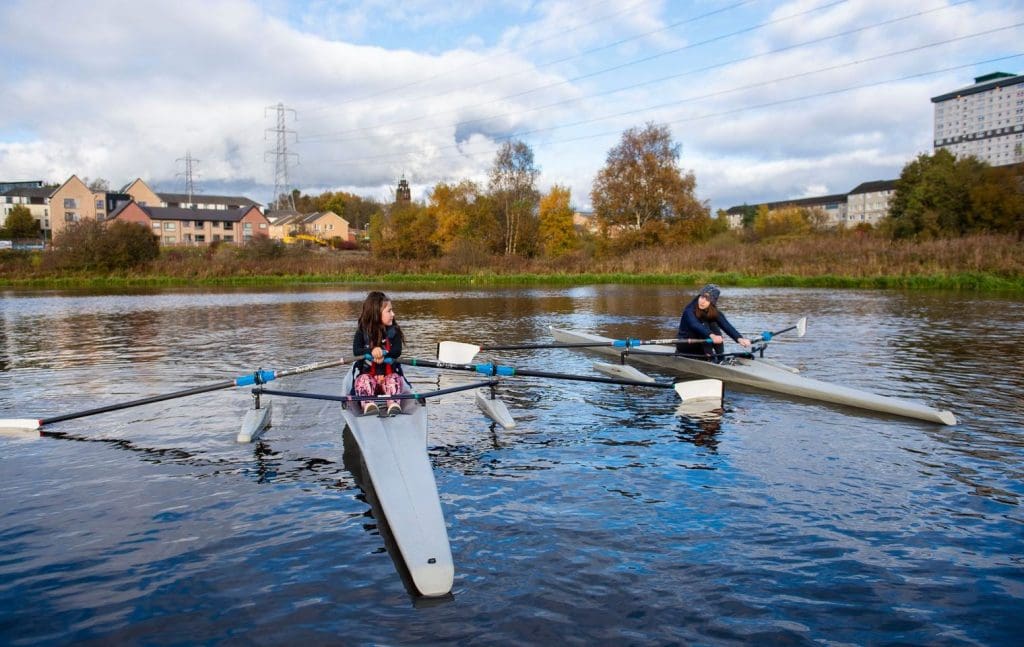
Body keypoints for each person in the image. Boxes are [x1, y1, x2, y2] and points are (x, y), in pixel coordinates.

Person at [352, 291, 405, 416]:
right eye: (389, 311)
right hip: (369, 377)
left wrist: (383, 354)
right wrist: (372, 352)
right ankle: (369, 404)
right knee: (363, 380)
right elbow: (356, 351)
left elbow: (397, 351)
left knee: (394, 379)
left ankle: (393, 404)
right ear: (376, 313)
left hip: (388, 377)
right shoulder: (361, 331)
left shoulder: (394, 331)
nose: (393, 314)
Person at [676, 283, 752, 362]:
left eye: (707, 299)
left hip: (701, 346)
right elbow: (695, 325)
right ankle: (710, 357)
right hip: (685, 345)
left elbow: (726, 325)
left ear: (712, 302)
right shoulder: (689, 310)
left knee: (714, 325)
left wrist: (739, 338)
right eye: (702, 297)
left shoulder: (713, 311)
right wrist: (712, 335)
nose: (702, 301)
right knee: (705, 325)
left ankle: (720, 357)